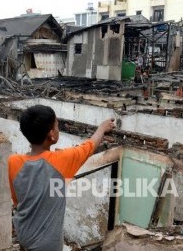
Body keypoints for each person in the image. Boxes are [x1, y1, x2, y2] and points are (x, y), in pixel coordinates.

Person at [8, 105, 115, 250]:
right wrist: (102, 128)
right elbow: (88, 147)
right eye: (57, 125)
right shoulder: (60, 161)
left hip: (24, 233)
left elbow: (17, 201)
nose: (58, 129)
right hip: (47, 245)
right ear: (51, 134)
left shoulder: (13, 162)